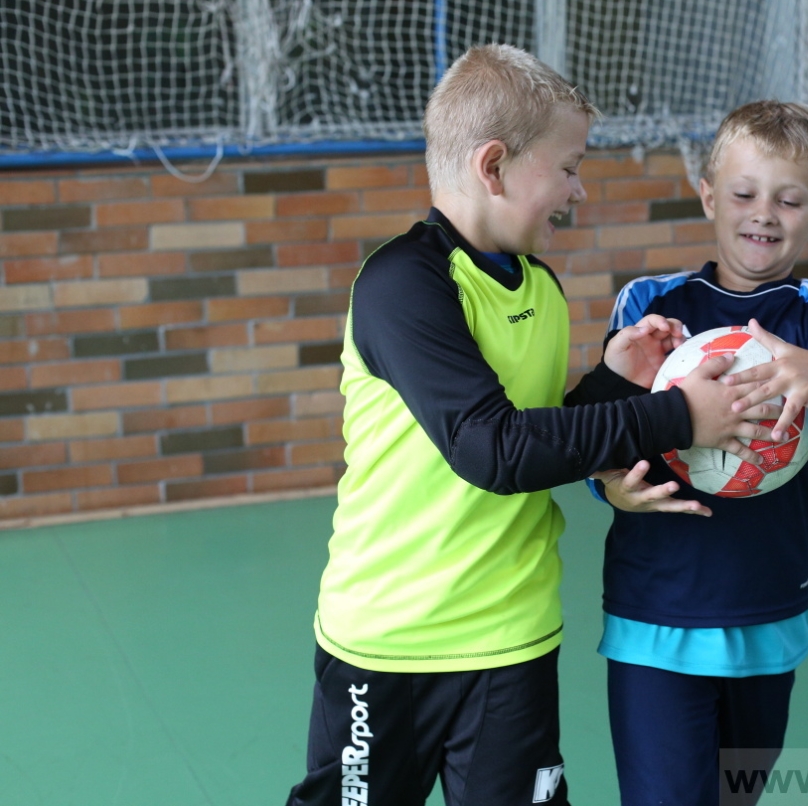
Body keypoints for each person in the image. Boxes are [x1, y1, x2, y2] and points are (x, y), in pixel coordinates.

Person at [285, 45, 776, 806]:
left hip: (513, 638)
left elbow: (542, 435)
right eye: (569, 166)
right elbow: (490, 450)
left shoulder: (540, 287)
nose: (579, 190)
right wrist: (679, 415)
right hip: (388, 646)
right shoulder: (401, 286)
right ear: (494, 166)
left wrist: (616, 377)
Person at [589, 100, 808, 806]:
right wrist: (610, 489)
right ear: (707, 197)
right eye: (744, 193)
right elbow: (604, 433)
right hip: (655, 613)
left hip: (767, 611)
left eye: (790, 200)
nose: (765, 214)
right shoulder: (649, 304)